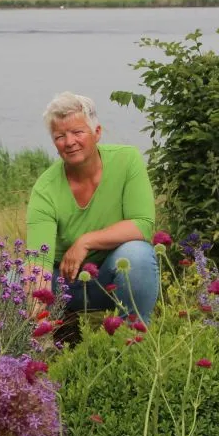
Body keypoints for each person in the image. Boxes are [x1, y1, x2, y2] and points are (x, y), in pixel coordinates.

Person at [25, 92, 158, 343]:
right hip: (62, 287)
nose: (69, 142)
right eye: (60, 136)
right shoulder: (45, 188)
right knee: (8, 281)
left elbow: (142, 225)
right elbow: (38, 261)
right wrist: (38, 315)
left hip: (109, 282)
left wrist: (86, 241)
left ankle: (132, 341)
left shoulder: (127, 160)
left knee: (138, 254)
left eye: (78, 132)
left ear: (97, 132)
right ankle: (53, 340)